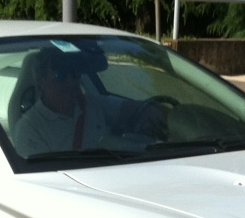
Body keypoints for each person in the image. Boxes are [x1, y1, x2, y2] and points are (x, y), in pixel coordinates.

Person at [13, 48, 165, 157]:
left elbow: (130, 109)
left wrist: (170, 116)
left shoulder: (91, 104)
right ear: (41, 81)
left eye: (75, 75)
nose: (70, 82)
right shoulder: (30, 128)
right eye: (60, 75)